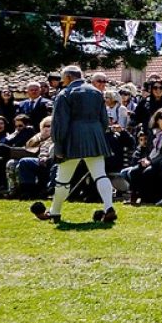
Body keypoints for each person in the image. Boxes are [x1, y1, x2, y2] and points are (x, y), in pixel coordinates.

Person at [31, 65, 118, 225]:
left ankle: (55, 212)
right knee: (100, 174)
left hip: (73, 137)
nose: (61, 81)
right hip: (95, 135)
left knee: (63, 179)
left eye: (63, 78)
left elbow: (60, 122)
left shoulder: (64, 94)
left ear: (69, 78)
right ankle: (109, 207)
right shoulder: (96, 92)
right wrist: (98, 133)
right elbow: (105, 120)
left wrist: (58, 145)